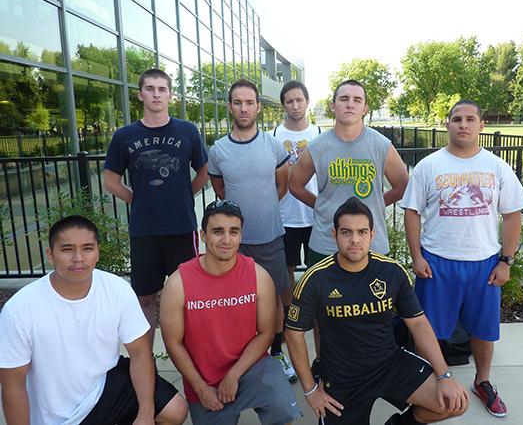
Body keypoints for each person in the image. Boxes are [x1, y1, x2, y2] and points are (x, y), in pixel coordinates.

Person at [400, 100, 523, 418]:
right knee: (428, 330)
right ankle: (429, 383)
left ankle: (482, 382)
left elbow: (513, 216)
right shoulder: (430, 166)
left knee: (484, 330)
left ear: (481, 125)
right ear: (447, 124)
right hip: (437, 262)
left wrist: (506, 261)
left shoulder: (496, 167)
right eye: (456, 119)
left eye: (470, 119)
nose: (463, 124)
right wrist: (416, 256)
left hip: (483, 263)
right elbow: (411, 213)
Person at [285, 198, 469, 425]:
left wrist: (444, 375)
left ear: (372, 235)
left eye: (362, 232)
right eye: (346, 232)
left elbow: (418, 323)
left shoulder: (391, 271)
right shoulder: (316, 279)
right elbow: (293, 334)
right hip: (342, 377)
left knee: (453, 402)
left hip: (388, 363)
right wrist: (310, 391)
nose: (354, 240)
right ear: (334, 235)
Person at [0, 215, 188, 425]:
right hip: (56, 412)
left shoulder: (116, 289)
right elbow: (12, 385)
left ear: (97, 252)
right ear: (50, 254)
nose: (78, 257)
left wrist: (145, 413)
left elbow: (139, 352)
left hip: (104, 382)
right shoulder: (20, 309)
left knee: (175, 410)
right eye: (67, 249)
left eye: (87, 248)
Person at [288, 79, 409, 375]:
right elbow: (294, 184)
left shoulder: (380, 145)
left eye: (357, 99)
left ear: (365, 108)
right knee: (322, 314)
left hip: (370, 246)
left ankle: (375, 364)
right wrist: (321, 206)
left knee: (377, 311)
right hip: (327, 245)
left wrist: (376, 206)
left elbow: (403, 184)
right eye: (344, 98)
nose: (350, 104)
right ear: (333, 106)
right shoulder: (318, 146)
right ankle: (325, 363)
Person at [159, 200, 301, 424]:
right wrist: (200, 387)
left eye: (233, 231)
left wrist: (234, 375)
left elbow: (266, 333)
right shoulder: (178, 284)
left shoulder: (258, 276)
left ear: (241, 235)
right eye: (217, 231)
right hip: (204, 379)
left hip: (249, 368)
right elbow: (173, 344)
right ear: (203, 235)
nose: (226, 240)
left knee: (281, 402)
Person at [104, 68, 209, 344]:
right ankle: (145, 358)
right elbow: (110, 181)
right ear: (140, 95)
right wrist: (135, 199)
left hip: (181, 228)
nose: (156, 94)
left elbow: (204, 171)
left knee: (189, 296)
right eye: (150, 88)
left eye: (162, 89)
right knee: (143, 297)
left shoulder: (187, 131)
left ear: (170, 95)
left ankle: (193, 355)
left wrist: (184, 193)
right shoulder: (125, 136)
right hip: (144, 230)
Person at [208, 79, 294, 381]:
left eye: (249, 102)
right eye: (237, 102)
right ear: (230, 106)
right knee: (235, 301)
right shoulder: (218, 150)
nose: (243, 108)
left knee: (274, 300)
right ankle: (240, 358)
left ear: (258, 106)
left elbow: (281, 186)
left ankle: (278, 353)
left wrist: (263, 207)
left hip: (269, 237)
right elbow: (220, 189)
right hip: (233, 244)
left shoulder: (272, 145)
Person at [270, 80, 321, 381]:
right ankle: (293, 318)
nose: (295, 105)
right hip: (285, 216)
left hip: (314, 215)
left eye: (299, 100)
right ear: (283, 105)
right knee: (285, 276)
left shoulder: (318, 134)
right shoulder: (275, 135)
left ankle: (316, 330)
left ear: (307, 102)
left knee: (317, 274)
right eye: (289, 101)